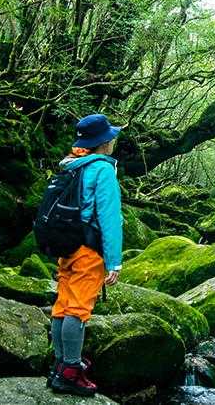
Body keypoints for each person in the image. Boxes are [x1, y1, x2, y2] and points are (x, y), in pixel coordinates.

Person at [48, 114, 123, 396]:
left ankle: (59, 365)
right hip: (89, 251)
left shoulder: (71, 165)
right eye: (111, 136)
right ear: (103, 142)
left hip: (66, 247)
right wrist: (114, 261)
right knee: (78, 310)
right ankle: (70, 372)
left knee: (62, 306)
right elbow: (110, 218)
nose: (114, 139)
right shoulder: (102, 170)